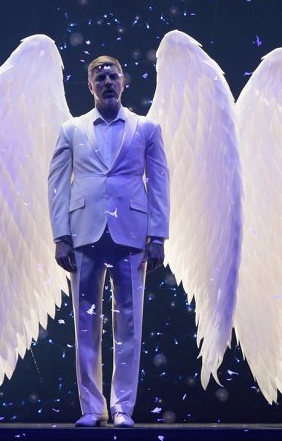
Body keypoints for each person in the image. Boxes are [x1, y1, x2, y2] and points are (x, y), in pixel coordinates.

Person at [48, 55, 170, 428]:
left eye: (112, 76)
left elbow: (160, 181)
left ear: (123, 81)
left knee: (129, 322)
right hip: (85, 230)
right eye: (99, 77)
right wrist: (61, 235)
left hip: (131, 232)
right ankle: (91, 406)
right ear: (90, 86)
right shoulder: (72, 129)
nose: (107, 82)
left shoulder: (146, 128)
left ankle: (122, 407)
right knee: (85, 322)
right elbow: (57, 185)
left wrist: (158, 234)